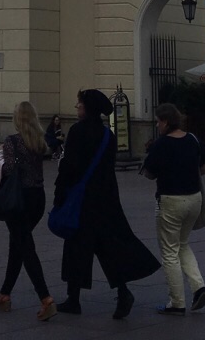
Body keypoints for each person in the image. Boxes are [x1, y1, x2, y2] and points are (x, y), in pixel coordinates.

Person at [53, 88, 157, 319]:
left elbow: (69, 168)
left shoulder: (78, 131)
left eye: (79, 104)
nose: (76, 108)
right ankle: (122, 292)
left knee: (76, 248)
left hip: (82, 201)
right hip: (105, 198)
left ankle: (73, 299)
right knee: (108, 248)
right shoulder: (107, 135)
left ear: (87, 108)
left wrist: (59, 196)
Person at [140, 102, 205, 315]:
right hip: (194, 199)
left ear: (166, 122)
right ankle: (199, 288)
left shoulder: (161, 145)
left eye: (159, 121)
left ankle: (177, 302)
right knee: (182, 244)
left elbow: (149, 173)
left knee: (169, 251)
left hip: (170, 200)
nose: (157, 125)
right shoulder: (193, 139)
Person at [0, 101, 57, 321]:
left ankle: (45, 298)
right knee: (17, 244)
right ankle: (4, 295)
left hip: (18, 199)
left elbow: (9, 169)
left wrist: (0, 155)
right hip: (37, 198)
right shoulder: (39, 141)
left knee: (25, 248)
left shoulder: (12, 142)